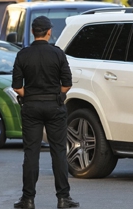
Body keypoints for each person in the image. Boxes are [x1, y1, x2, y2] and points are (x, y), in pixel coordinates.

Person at [12, 16, 79, 209]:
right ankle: (63, 198)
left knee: (31, 153)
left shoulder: (23, 55)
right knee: (58, 151)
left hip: (31, 107)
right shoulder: (57, 54)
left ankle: (28, 199)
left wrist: (30, 95)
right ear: (49, 32)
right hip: (54, 106)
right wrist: (55, 95)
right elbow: (67, 84)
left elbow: (17, 87)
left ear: (33, 32)